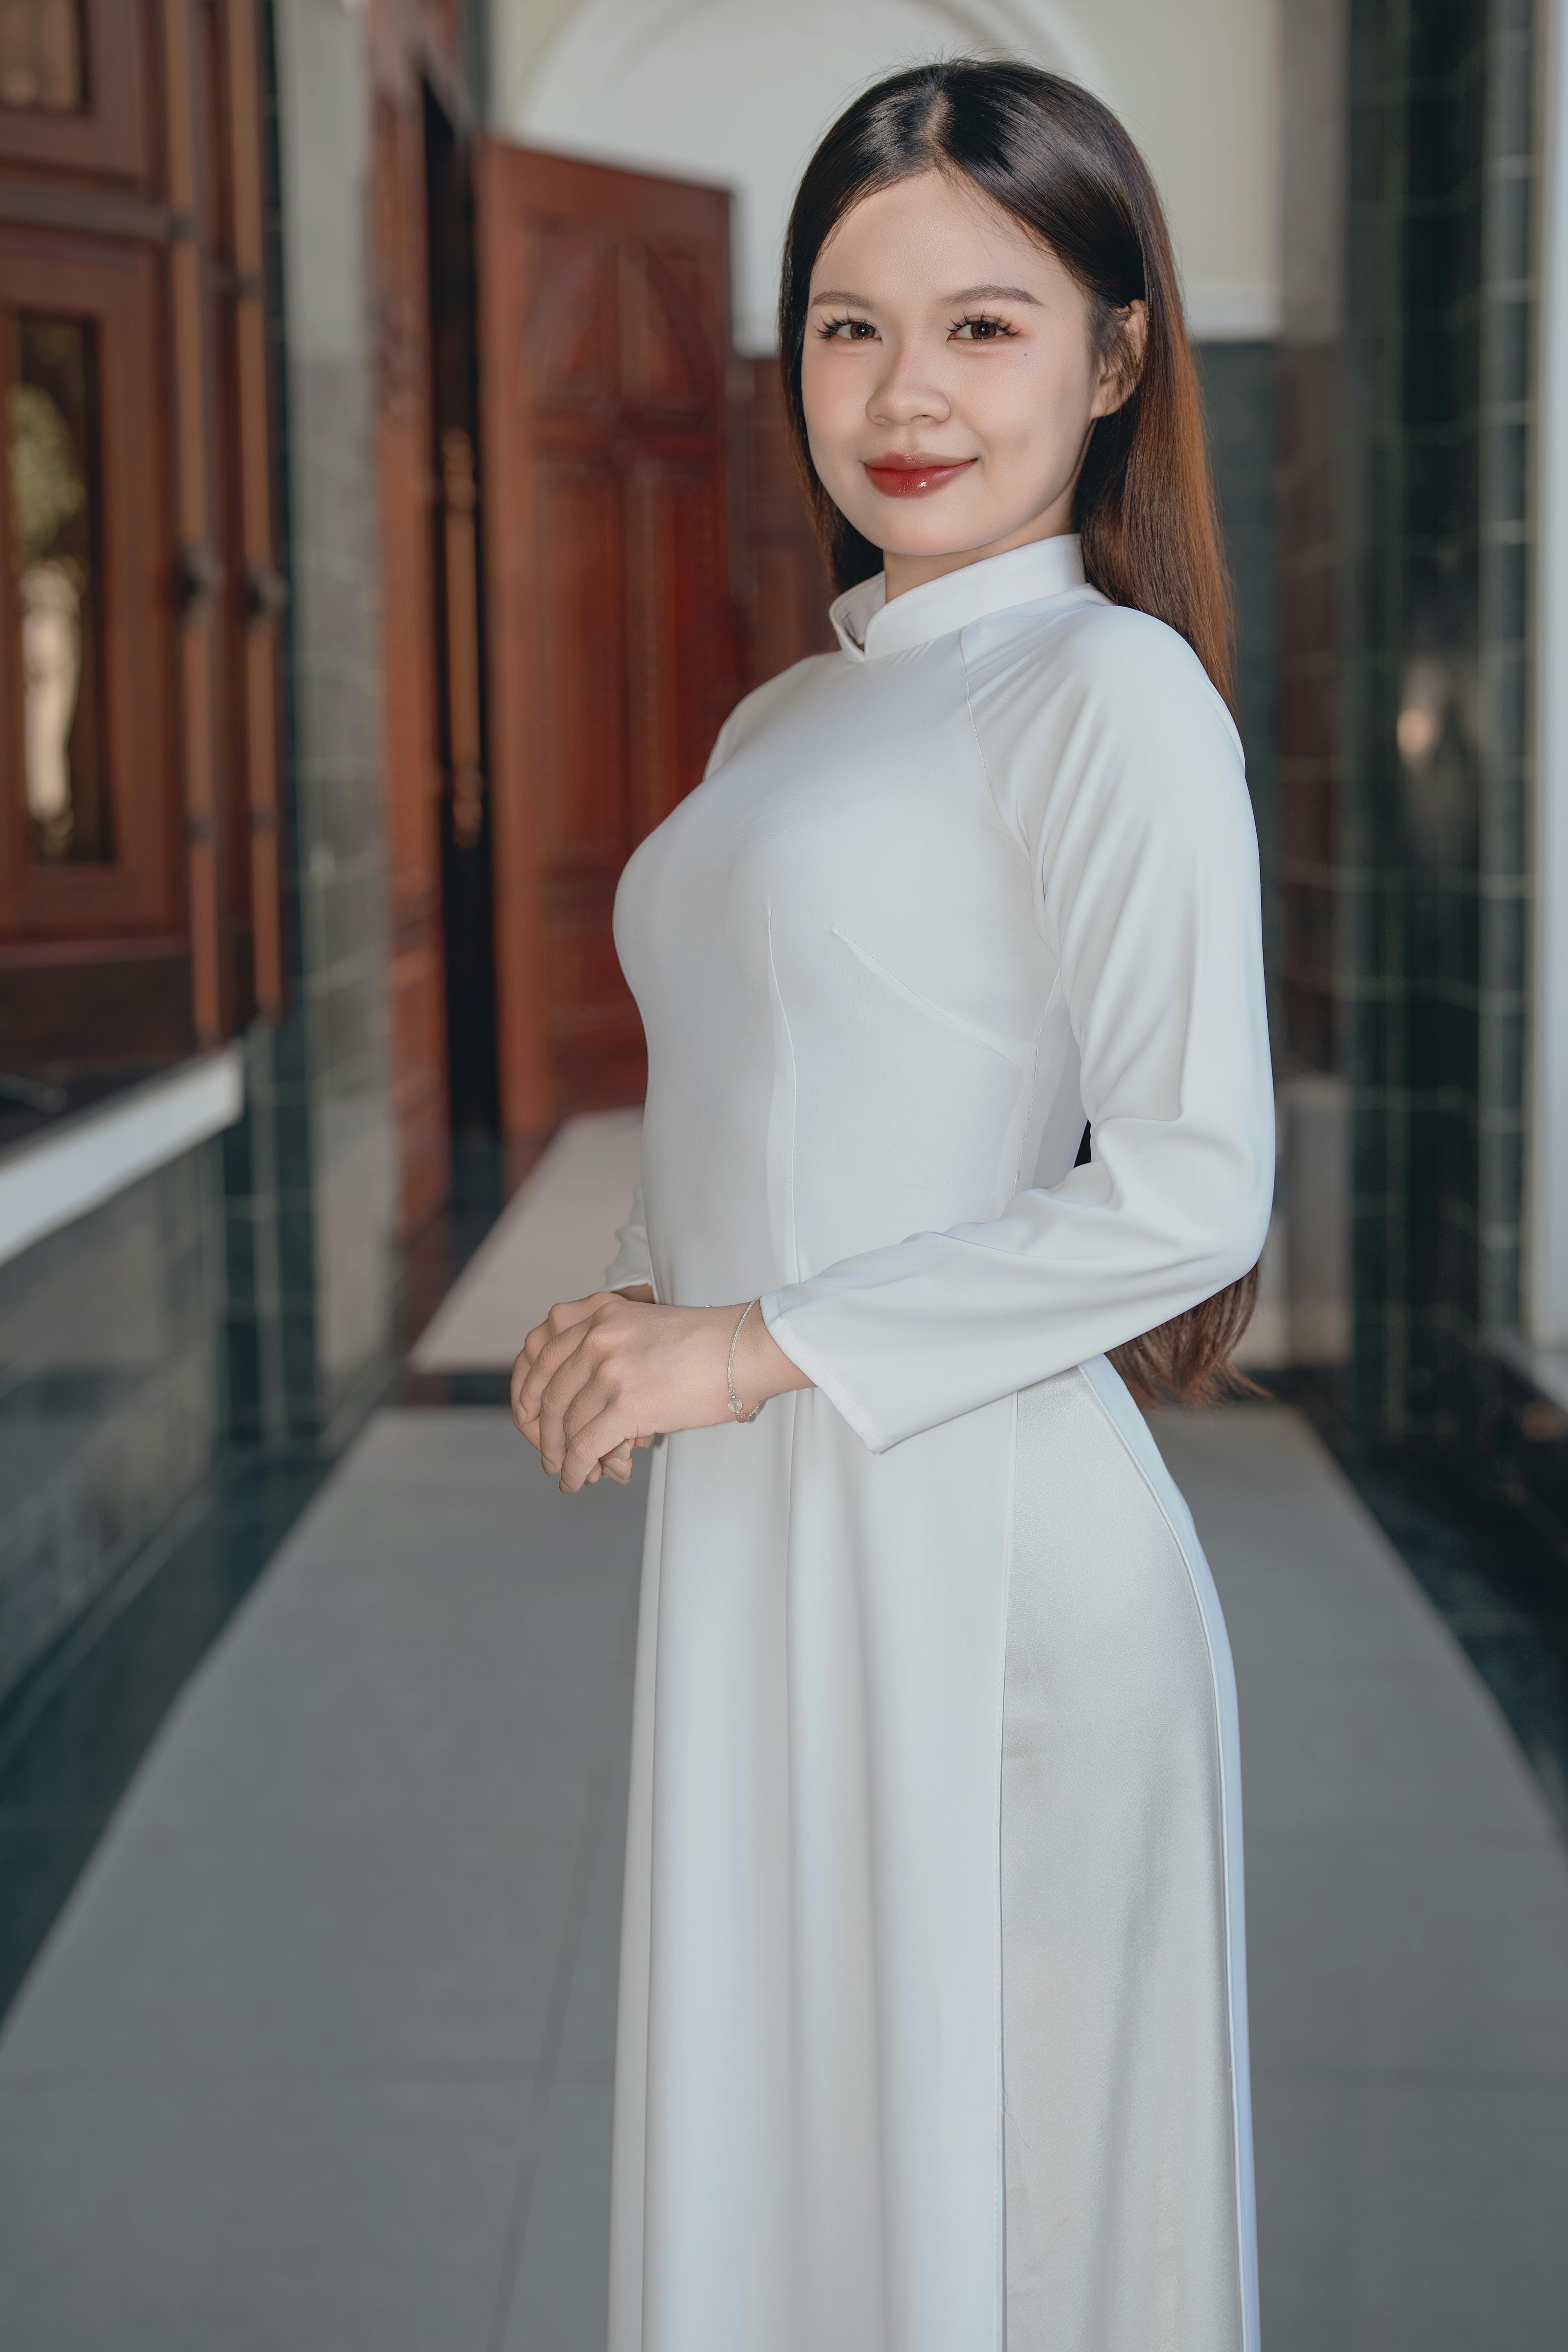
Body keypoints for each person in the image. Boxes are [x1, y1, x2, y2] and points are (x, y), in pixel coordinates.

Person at [512, 59, 1272, 2352]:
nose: (904, 392)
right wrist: (638, 1301)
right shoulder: (788, 719)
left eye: (984, 323)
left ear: (1118, 354)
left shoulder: (1105, 691)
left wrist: (738, 1349)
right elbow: (779, 1082)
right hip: (771, 1533)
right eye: (847, 326)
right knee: (792, 2170)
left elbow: (1194, 1186)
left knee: (1001, 2226)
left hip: (984, 1566)